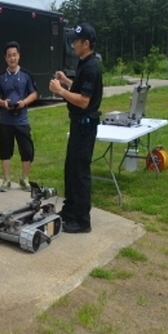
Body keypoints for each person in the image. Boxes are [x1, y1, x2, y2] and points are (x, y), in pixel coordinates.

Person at [49, 23, 103, 234]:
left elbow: (83, 101)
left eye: (76, 41)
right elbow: (80, 89)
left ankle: (82, 220)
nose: (73, 44)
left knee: (80, 172)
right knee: (70, 169)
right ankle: (70, 210)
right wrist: (67, 81)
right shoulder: (84, 63)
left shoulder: (91, 67)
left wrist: (60, 90)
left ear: (86, 43)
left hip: (85, 126)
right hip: (78, 125)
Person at [0, 41, 38, 192]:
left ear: (19, 56)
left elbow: (34, 93)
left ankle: (24, 179)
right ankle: (6, 179)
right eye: (9, 56)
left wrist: (24, 102)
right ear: (5, 58)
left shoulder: (26, 75)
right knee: (5, 150)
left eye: (14, 55)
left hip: (22, 120)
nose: (12, 58)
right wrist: (2, 103)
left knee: (27, 150)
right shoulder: (1, 78)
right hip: (6, 120)